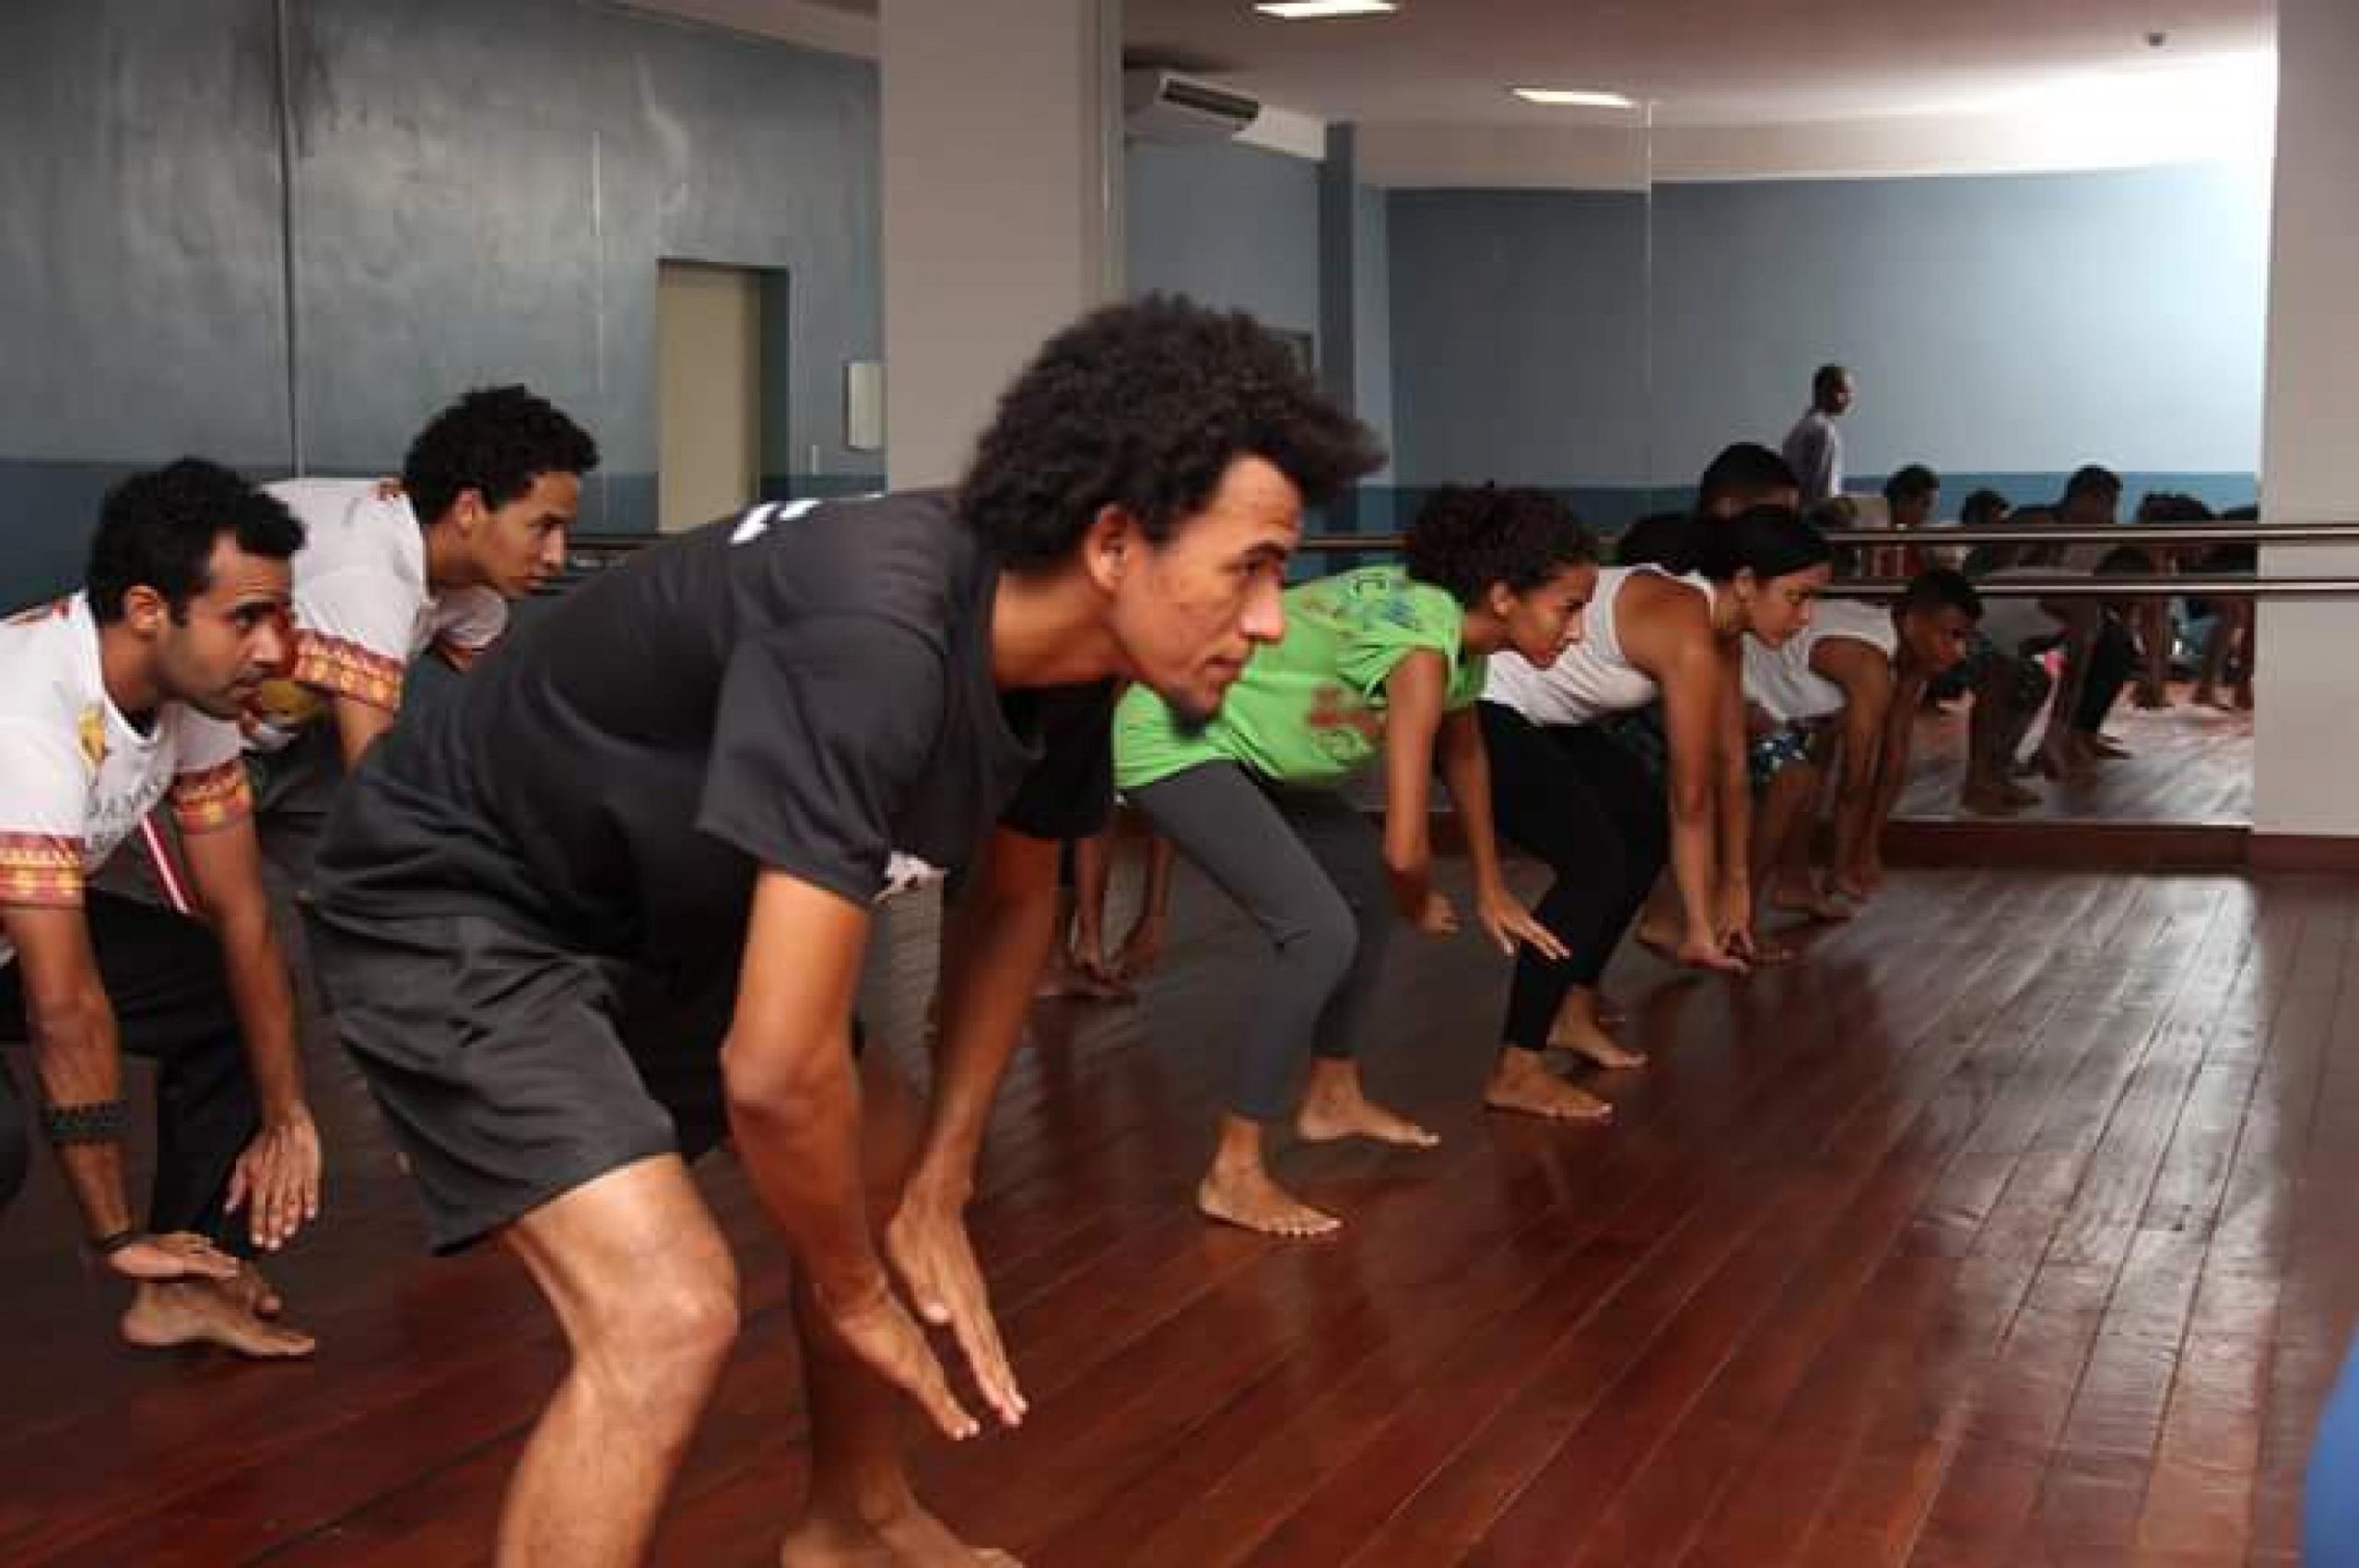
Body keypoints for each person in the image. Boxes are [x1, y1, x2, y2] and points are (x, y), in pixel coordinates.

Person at [302, 297, 1381, 1566]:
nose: (1270, 617)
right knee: (666, 1310)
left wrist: (942, 1180)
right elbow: (773, 1070)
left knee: (877, 1168)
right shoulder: (874, 629)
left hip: (659, 908)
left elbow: (1012, 901)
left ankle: (855, 1523)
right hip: (458, 889)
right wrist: (859, 1288)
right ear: (1111, 542)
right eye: (1250, 566)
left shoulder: (1077, 663)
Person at [1114, 485, 1588, 1235]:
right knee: (1319, 930)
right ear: (1503, 596)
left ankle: (1332, 1091)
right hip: (1179, 737)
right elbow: (1404, 846)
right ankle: (1233, 1170)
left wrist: (1491, 883)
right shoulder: (1421, 648)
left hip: (1255, 751)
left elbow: (1465, 754)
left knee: (1359, 886)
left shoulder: (1456, 635)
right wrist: (1415, 893)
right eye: (1568, 608)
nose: (1579, 631)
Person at [0, 460, 322, 1359]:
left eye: (279, 617)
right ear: (148, 609)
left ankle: (186, 1286)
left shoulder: (196, 691)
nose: (275, 652)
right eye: (246, 618)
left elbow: (242, 913)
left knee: (220, 989)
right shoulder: (27, 717)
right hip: (24, 939)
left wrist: (287, 1113)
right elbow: (65, 1009)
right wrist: (114, 1236)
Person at [1481, 506, 1834, 1085]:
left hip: (1547, 720)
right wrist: (1699, 926)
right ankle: (1518, 1063)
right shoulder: (1686, 626)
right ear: (1746, 582)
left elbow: (1730, 766)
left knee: (1642, 830)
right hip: (1482, 703)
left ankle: (1573, 1009)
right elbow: (1690, 797)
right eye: (1798, 597)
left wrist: (1737, 887)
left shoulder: (1723, 633)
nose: (1806, 617)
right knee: (1595, 861)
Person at [248, 386, 599, 880]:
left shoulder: (461, 579)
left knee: (346, 904)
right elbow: (374, 789)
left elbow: (516, 712)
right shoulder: (366, 577)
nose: (557, 556)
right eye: (542, 527)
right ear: (468, 509)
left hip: (287, 752)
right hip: (181, 753)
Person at [1743, 568, 1979, 911]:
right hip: (1738, 692)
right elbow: (1855, 779)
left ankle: (1793, 883)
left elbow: (1894, 756)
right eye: (1952, 635)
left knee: (1819, 746)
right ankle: (1741, 912)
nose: (1960, 651)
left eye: (1965, 639)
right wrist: (1844, 866)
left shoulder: (1911, 657)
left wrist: (1867, 847)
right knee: (1798, 778)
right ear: (1913, 622)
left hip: (1795, 711)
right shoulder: (1868, 662)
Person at [1780, 364, 1854, 507]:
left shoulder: (1799, 429)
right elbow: (1824, 492)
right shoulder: (1824, 431)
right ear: (1823, 391)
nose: (1849, 398)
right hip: (1818, 515)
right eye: (1843, 391)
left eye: (1850, 392)